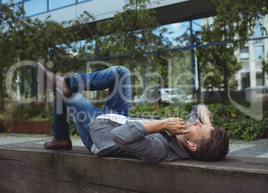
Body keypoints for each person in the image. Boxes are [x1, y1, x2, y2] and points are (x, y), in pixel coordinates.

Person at [37, 63, 229, 162]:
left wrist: (162, 125)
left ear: (192, 146)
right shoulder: (188, 134)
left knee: (66, 94)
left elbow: (117, 135)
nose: (196, 123)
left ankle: (61, 137)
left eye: (199, 128)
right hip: (119, 118)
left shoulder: (160, 150)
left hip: (98, 132)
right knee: (121, 72)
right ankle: (69, 82)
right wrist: (207, 123)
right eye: (201, 123)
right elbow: (200, 107)